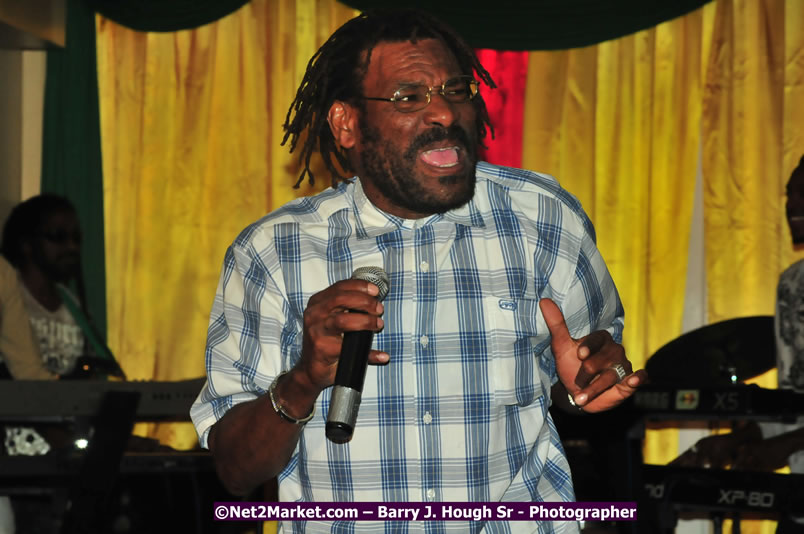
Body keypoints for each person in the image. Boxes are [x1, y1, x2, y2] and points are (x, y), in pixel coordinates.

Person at [190, 9, 647, 533]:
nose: (445, 113)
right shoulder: (274, 251)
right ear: (346, 124)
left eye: (456, 90)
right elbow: (236, 470)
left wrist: (588, 382)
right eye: (409, 97)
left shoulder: (542, 218)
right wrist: (303, 380)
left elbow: (589, 375)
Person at [673, 155, 804, 533]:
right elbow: (795, 400)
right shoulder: (792, 284)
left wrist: (783, 445)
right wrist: (741, 439)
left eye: (803, 193)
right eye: (789, 194)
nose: (792, 204)